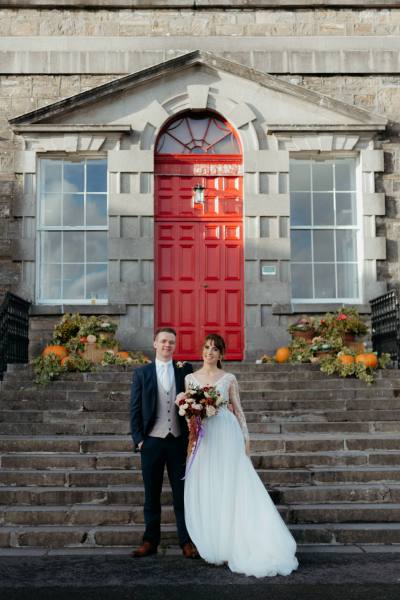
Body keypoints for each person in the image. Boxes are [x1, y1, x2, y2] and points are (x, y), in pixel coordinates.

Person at [182, 333, 298, 577]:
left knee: (231, 485)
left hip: (226, 432)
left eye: (215, 349)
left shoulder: (229, 378)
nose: (209, 352)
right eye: (206, 348)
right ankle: (216, 541)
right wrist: (192, 437)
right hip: (205, 437)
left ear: (221, 354)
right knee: (210, 485)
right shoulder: (190, 379)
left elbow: (239, 410)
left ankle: (236, 542)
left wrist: (246, 438)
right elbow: (190, 415)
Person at [130, 327, 198, 558]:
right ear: (155, 344)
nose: (168, 345)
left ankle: (186, 542)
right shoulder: (142, 373)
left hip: (178, 442)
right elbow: (135, 409)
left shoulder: (185, 371)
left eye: (171, 342)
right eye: (164, 341)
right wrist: (139, 440)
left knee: (182, 495)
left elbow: (194, 403)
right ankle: (150, 541)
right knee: (152, 495)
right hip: (151, 442)